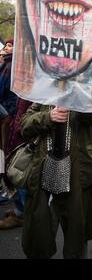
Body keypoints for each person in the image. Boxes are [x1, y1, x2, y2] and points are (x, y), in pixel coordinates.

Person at [20, 104, 92, 259]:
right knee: (40, 234)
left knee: (76, 238)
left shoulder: (86, 93)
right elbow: (25, 125)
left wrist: (79, 104)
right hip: (45, 175)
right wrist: (48, 117)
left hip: (78, 175)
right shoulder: (46, 93)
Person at [0, 97, 32, 229]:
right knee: (15, 173)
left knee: (20, 172)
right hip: (18, 131)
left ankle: (23, 214)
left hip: (24, 136)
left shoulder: (35, 88)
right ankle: (21, 210)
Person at [0, 39, 17, 203]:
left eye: (10, 45)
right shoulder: (5, 65)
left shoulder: (11, 66)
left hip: (7, 116)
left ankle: (9, 189)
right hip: (6, 114)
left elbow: (4, 90)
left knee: (5, 153)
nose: (5, 47)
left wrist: (9, 114)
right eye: (5, 45)